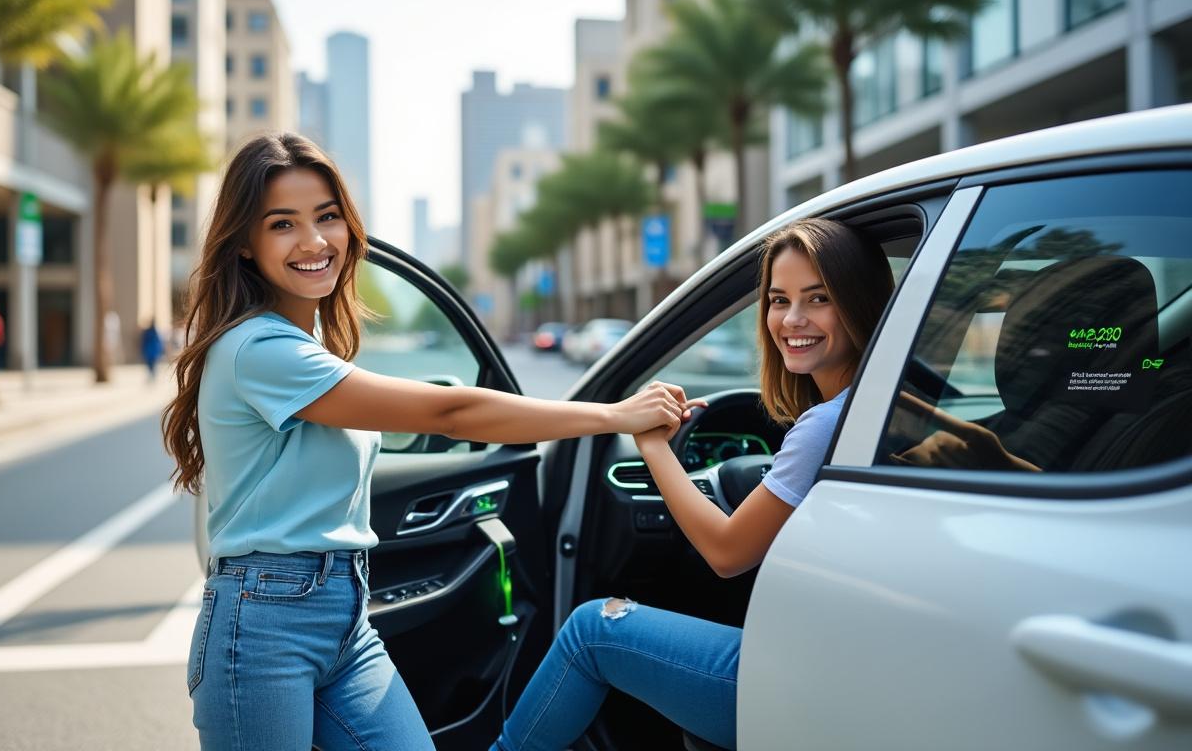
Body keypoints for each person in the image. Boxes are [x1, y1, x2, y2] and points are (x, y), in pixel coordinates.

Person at [160, 133, 695, 751]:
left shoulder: (307, 349)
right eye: (283, 224)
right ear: (246, 246)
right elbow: (452, 410)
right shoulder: (261, 350)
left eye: (327, 217)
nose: (313, 241)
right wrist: (614, 415)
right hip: (262, 626)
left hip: (344, 616)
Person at [490, 218, 895, 751]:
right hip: (865, 668)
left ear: (859, 303)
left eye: (817, 298)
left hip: (808, 682)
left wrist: (654, 445)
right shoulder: (894, 407)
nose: (793, 319)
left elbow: (727, 551)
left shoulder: (823, 426)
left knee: (592, 629)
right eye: (778, 300)